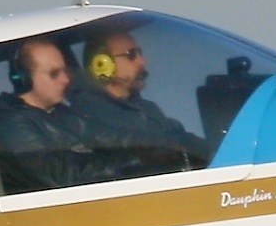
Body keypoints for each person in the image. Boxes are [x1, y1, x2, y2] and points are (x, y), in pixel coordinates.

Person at [74, 23, 212, 177]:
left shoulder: (148, 109)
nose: (142, 62)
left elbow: (180, 138)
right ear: (101, 64)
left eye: (140, 53)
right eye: (131, 55)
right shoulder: (88, 114)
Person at [0, 37, 100, 192]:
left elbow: (109, 136)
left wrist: (144, 150)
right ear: (23, 78)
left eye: (65, 71)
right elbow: (64, 177)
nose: (66, 80)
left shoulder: (62, 113)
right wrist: (133, 161)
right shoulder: (13, 126)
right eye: (54, 73)